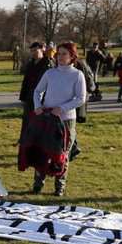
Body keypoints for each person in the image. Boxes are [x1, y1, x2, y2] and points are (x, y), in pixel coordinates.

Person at [30, 42, 85, 196]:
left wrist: (62, 109)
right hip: (47, 118)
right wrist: (37, 106)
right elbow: (37, 91)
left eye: (64, 54)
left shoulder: (77, 75)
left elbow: (81, 98)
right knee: (42, 151)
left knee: (62, 153)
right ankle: (37, 185)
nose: (60, 57)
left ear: (72, 56)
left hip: (66, 120)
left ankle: (59, 187)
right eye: (58, 53)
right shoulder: (50, 73)